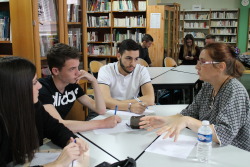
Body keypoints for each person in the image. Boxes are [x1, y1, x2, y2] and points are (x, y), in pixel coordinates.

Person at [140, 43, 250, 152]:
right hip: (211, 148)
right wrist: (166, 120)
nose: (197, 66)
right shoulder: (209, 85)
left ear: (221, 66)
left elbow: (223, 134)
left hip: (235, 153)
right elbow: (189, 113)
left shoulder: (234, 91)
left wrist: (187, 121)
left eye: (202, 62)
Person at [0, 56, 88, 166]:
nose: (39, 86)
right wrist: (58, 163)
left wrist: (71, 140)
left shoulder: (34, 106)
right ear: (15, 90)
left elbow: (55, 127)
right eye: (34, 83)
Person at [38, 43, 121, 132]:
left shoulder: (71, 85)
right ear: (55, 71)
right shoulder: (41, 88)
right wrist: (103, 123)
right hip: (41, 139)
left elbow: (100, 109)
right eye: (72, 69)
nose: (78, 73)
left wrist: (94, 81)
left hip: (57, 135)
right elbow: (59, 123)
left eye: (77, 67)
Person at [98, 39, 155, 114]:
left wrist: (117, 103)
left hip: (133, 111)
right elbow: (104, 101)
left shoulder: (141, 70)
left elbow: (150, 99)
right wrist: (129, 106)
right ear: (119, 56)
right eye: (129, 58)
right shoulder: (105, 70)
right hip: (110, 112)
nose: (133, 64)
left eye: (136, 59)